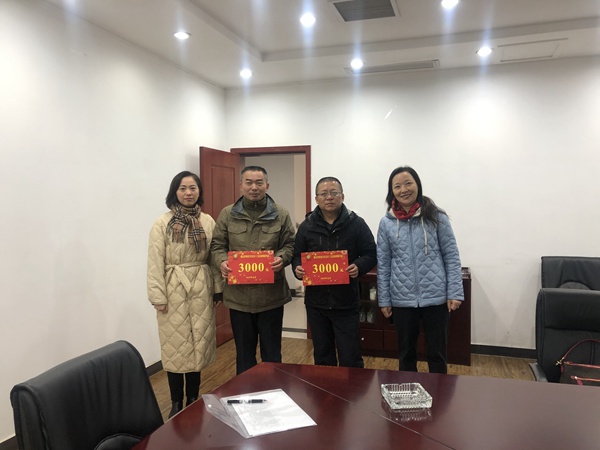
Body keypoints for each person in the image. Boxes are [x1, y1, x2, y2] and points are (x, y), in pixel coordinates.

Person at [147, 171, 223, 418]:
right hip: (173, 289)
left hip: (201, 287)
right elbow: (155, 262)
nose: (188, 193)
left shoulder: (208, 221)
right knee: (175, 346)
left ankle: (192, 397)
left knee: (198, 345)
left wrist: (217, 289)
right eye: (182, 188)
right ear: (175, 192)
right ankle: (175, 401)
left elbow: (214, 257)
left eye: (193, 188)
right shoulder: (162, 223)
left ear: (199, 191)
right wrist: (158, 296)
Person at [377, 166, 463, 374]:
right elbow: (384, 263)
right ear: (391, 191)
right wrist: (384, 299)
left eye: (408, 183)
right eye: (397, 186)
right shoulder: (386, 223)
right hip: (402, 299)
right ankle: (408, 392)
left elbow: (451, 256)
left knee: (437, 354)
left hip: (436, 297)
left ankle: (440, 393)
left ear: (418, 185)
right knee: (406, 354)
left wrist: (454, 292)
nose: (403, 190)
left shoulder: (436, 217)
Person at [210, 166, 295, 375]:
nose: (254, 187)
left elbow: (291, 244)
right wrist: (222, 262)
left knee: (272, 355)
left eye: (259, 183)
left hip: (271, 297)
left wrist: (282, 258)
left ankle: (273, 391)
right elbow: (217, 246)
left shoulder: (281, 213)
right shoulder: (227, 214)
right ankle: (245, 392)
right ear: (241, 185)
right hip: (239, 298)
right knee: (244, 356)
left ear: (267, 185)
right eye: (248, 182)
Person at [293, 177, 377, 367]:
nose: (329, 197)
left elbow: (371, 253)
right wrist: (297, 268)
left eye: (334, 193)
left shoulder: (356, 224)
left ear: (342, 196)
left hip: (346, 302)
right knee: (323, 356)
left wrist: (359, 266)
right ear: (316, 199)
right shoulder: (307, 226)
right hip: (316, 304)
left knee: (350, 356)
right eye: (324, 194)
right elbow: (297, 255)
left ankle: (352, 388)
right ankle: (326, 388)